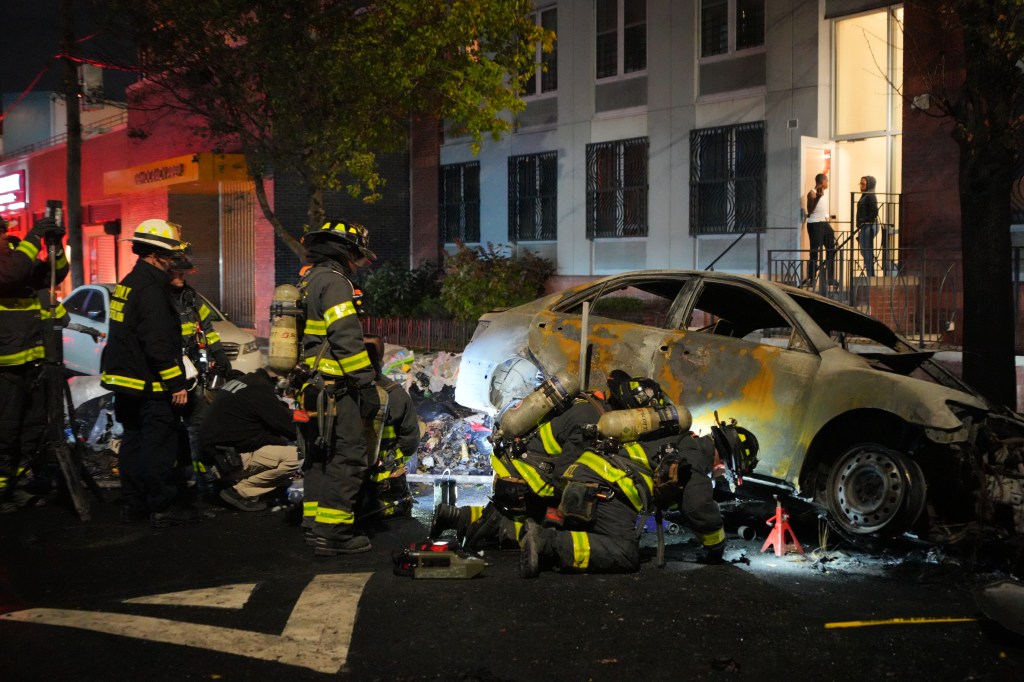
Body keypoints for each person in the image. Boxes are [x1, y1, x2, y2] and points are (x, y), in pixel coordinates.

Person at [101, 219, 198, 527]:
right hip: (149, 383)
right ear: (156, 255)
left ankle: (135, 503)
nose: (173, 261)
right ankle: (162, 506)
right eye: (169, 254)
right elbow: (157, 344)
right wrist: (176, 383)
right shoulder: (151, 290)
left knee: (132, 442)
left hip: (126, 380)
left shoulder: (129, 282)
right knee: (158, 446)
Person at [296, 219, 378, 556]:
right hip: (335, 387)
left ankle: (315, 524)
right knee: (349, 454)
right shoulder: (336, 283)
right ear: (346, 250)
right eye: (357, 253)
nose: (358, 261)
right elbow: (346, 337)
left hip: (309, 386)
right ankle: (334, 533)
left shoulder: (308, 279)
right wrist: (366, 383)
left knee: (319, 455)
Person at [0, 215, 68, 511]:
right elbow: (10, 275)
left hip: (32, 360)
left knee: (32, 426)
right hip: (6, 365)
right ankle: (2, 490)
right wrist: (33, 236)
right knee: (6, 429)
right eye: (1, 234)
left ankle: (17, 485)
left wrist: (55, 245)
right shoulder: (10, 264)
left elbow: (53, 273)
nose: (4, 237)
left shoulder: (15, 257)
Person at [168, 249, 232, 496]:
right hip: (169, 376)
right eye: (177, 272)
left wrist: (220, 355)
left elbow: (207, 328)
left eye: (183, 273)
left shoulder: (191, 297)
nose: (181, 277)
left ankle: (203, 480)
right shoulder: (159, 299)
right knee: (172, 431)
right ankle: (177, 480)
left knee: (199, 428)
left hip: (194, 376)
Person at [199, 365, 300, 512]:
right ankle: (239, 491)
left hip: (212, 459)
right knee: (298, 456)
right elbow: (289, 427)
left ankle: (227, 485)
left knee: (276, 444)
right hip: (226, 462)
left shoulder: (247, 382)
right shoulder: (259, 389)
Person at [355, 334, 422, 524]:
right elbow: (411, 441)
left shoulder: (342, 394)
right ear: (381, 359)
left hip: (346, 485)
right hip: (385, 487)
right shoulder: (395, 394)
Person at [805, 173, 835, 287]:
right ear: (822, 182)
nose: (827, 183)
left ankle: (830, 278)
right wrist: (817, 198)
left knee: (831, 249)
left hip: (823, 223)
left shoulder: (823, 193)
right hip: (814, 224)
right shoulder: (812, 193)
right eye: (827, 181)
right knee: (814, 251)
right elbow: (810, 210)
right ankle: (812, 278)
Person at [856, 175, 880, 277]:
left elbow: (874, 212)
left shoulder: (870, 196)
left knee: (866, 251)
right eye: (860, 183)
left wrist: (863, 220)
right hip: (865, 226)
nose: (861, 186)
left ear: (869, 184)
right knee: (865, 250)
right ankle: (870, 274)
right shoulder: (865, 195)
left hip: (870, 225)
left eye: (863, 184)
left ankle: (871, 276)